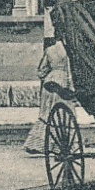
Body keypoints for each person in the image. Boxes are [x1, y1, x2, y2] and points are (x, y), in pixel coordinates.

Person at [23, 20, 74, 155]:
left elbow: (41, 70)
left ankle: (38, 144)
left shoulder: (50, 50)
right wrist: (70, 86)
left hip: (49, 82)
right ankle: (60, 146)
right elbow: (69, 70)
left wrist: (47, 77)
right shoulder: (68, 50)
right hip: (62, 82)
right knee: (64, 114)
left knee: (46, 113)